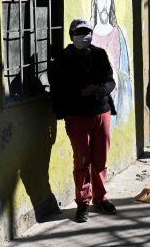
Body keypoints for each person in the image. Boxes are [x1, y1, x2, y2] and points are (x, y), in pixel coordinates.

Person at [50, 18, 118, 223]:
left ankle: (101, 197)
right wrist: (76, 96)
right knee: (82, 159)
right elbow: (57, 88)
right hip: (77, 117)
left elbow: (110, 81)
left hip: (102, 112)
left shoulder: (99, 54)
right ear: (72, 35)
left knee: (100, 158)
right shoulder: (62, 59)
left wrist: (98, 90)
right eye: (79, 32)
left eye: (87, 31)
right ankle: (83, 202)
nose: (84, 35)